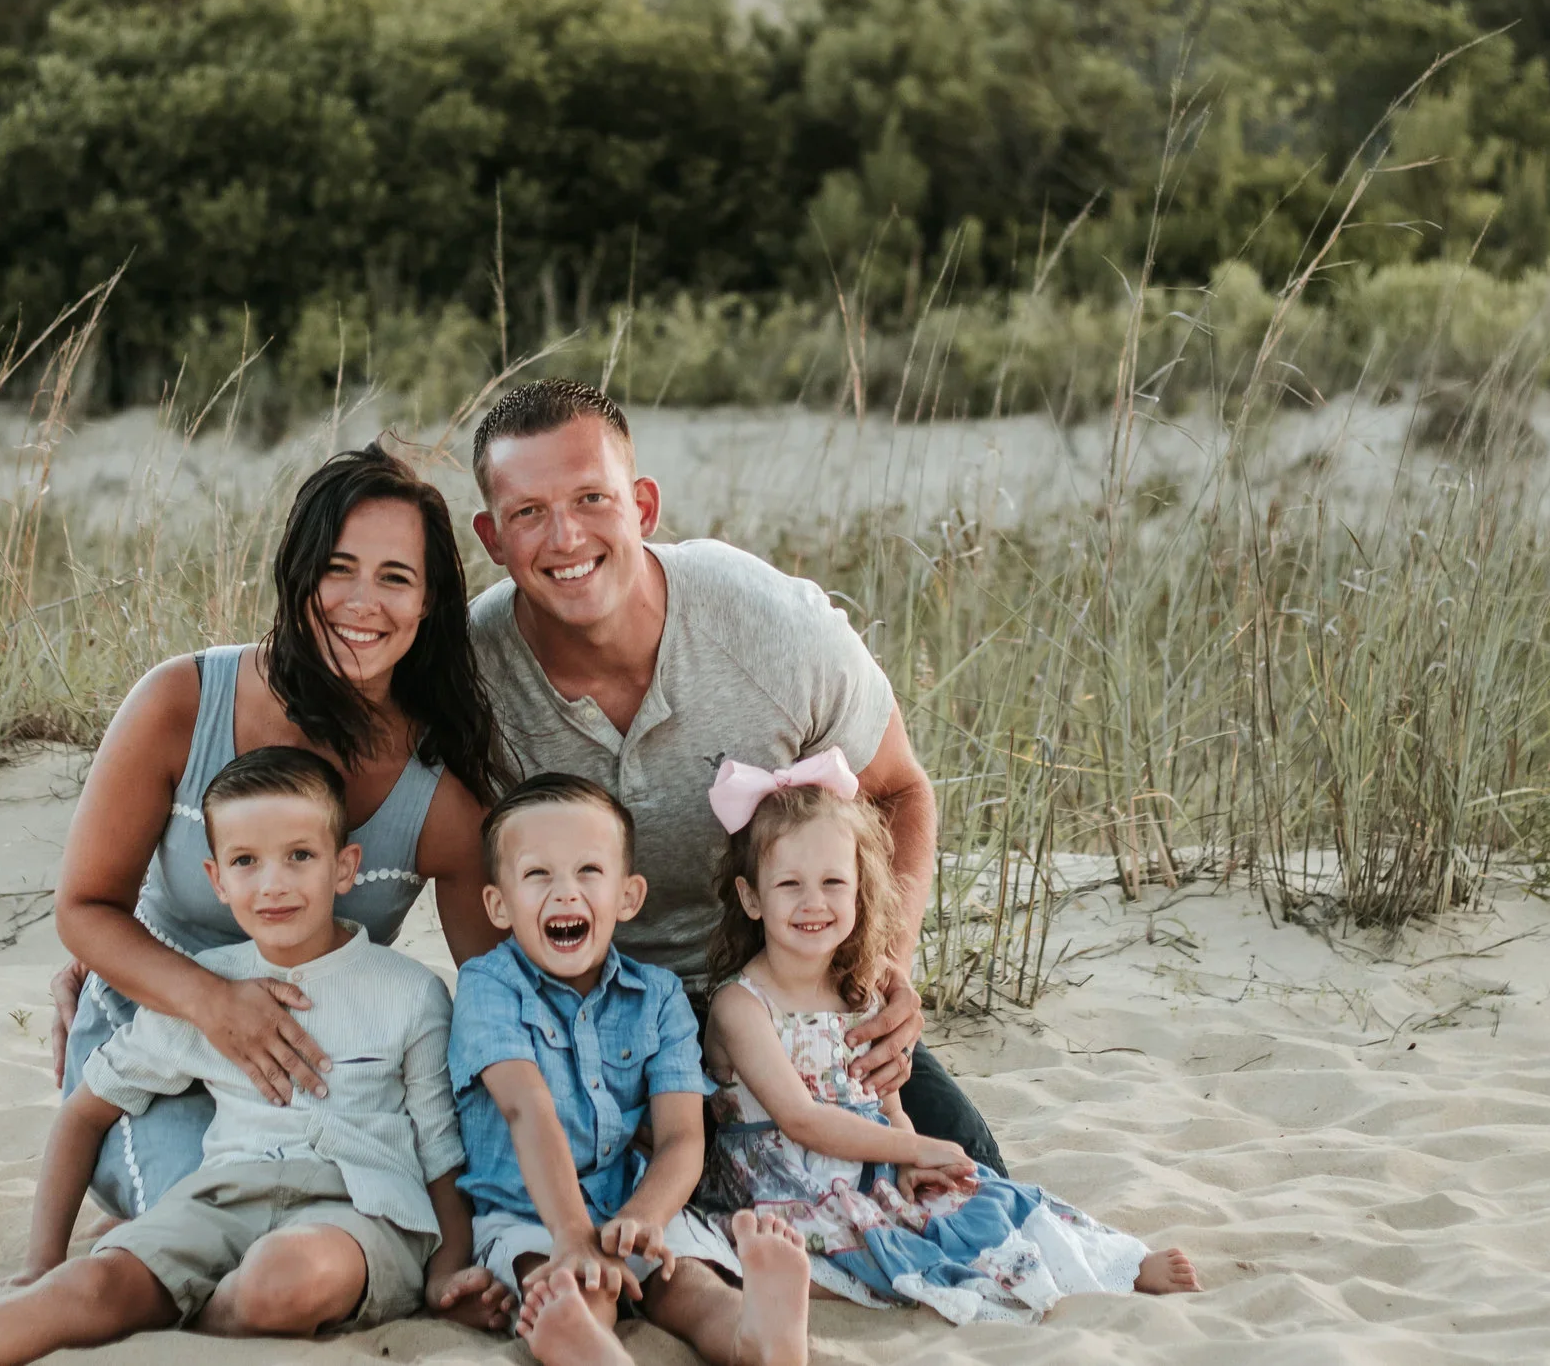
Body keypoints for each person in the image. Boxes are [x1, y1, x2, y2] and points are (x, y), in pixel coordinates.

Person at [467, 379, 1005, 1171]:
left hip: (785, 988)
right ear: (491, 536)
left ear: (643, 506)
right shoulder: (472, 673)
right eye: (528, 512)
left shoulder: (765, 623)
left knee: (970, 1165)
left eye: (591, 498)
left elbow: (899, 788)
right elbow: (460, 866)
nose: (565, 535)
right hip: (603, 1010)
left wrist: (886, 964)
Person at [0, 749, 511, 1366]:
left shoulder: (409, 992)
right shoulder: (209, 991)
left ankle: (200, 1314)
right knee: (93, 1281)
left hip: (357, 1212)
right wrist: (42, 1261)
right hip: (219, 1200)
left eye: (299, 855)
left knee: (285, 1279)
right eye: (245, 862)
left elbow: (440, 1150)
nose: (272, 883)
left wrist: (446, 1270)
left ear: (345, 866)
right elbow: (85, 1112)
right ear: (216, 879)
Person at [46, 443, 506, 1221]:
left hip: (325, 1064)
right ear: (297, 573)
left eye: (395, 577)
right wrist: (211, 1000)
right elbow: (83, 907)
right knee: (214, 1222)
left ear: (428, 603)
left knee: (345, 1230)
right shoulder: (180, 703)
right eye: (338, 568)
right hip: (155, 1033)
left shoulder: (442, 798)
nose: (363, 601)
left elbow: (495, 988)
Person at [697, 753, 1200, 1325]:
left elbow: (887, 1104)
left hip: (871, 1167)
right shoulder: (742, 1005)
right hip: (783, 1186)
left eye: (833, 882)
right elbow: (801, 1119)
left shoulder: (860, 994)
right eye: (789, 884)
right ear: (751, 897)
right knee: (870, 1243)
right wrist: (915, 1150)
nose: (814, 902)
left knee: (982, 1196)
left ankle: (1120, 1263)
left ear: (859, 890)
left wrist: (910, 1158)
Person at [448, 773, 812, 1366]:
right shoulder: (488, 986)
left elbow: (681, 1137)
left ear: (628, 896)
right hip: (528, 1215)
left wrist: (645, 1216)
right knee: (577, 1288)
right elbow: (526, 1107)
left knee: (687, 1281)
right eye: (538, 874)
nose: (566, 893)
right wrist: (572, 1235)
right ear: (498, 904)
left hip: (632, 1200)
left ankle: (758, 1337)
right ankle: (585, 1343)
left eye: (589, 871)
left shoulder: (659, 997)